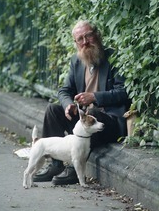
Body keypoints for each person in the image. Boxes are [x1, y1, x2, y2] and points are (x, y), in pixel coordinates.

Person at [34, 19, 130, 185]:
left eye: (89, 36)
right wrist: (68, 105)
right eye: (80, 39)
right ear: (76, 43)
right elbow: (64, 91)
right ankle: (56, 164)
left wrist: (95, 97)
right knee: (52, 110)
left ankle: (74, 167)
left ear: (97, 35)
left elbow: (124, 92)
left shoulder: (113, 58)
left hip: (108, 122)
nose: (85, 42)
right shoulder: (76, 61)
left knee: (92, 112)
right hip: (83, 122)